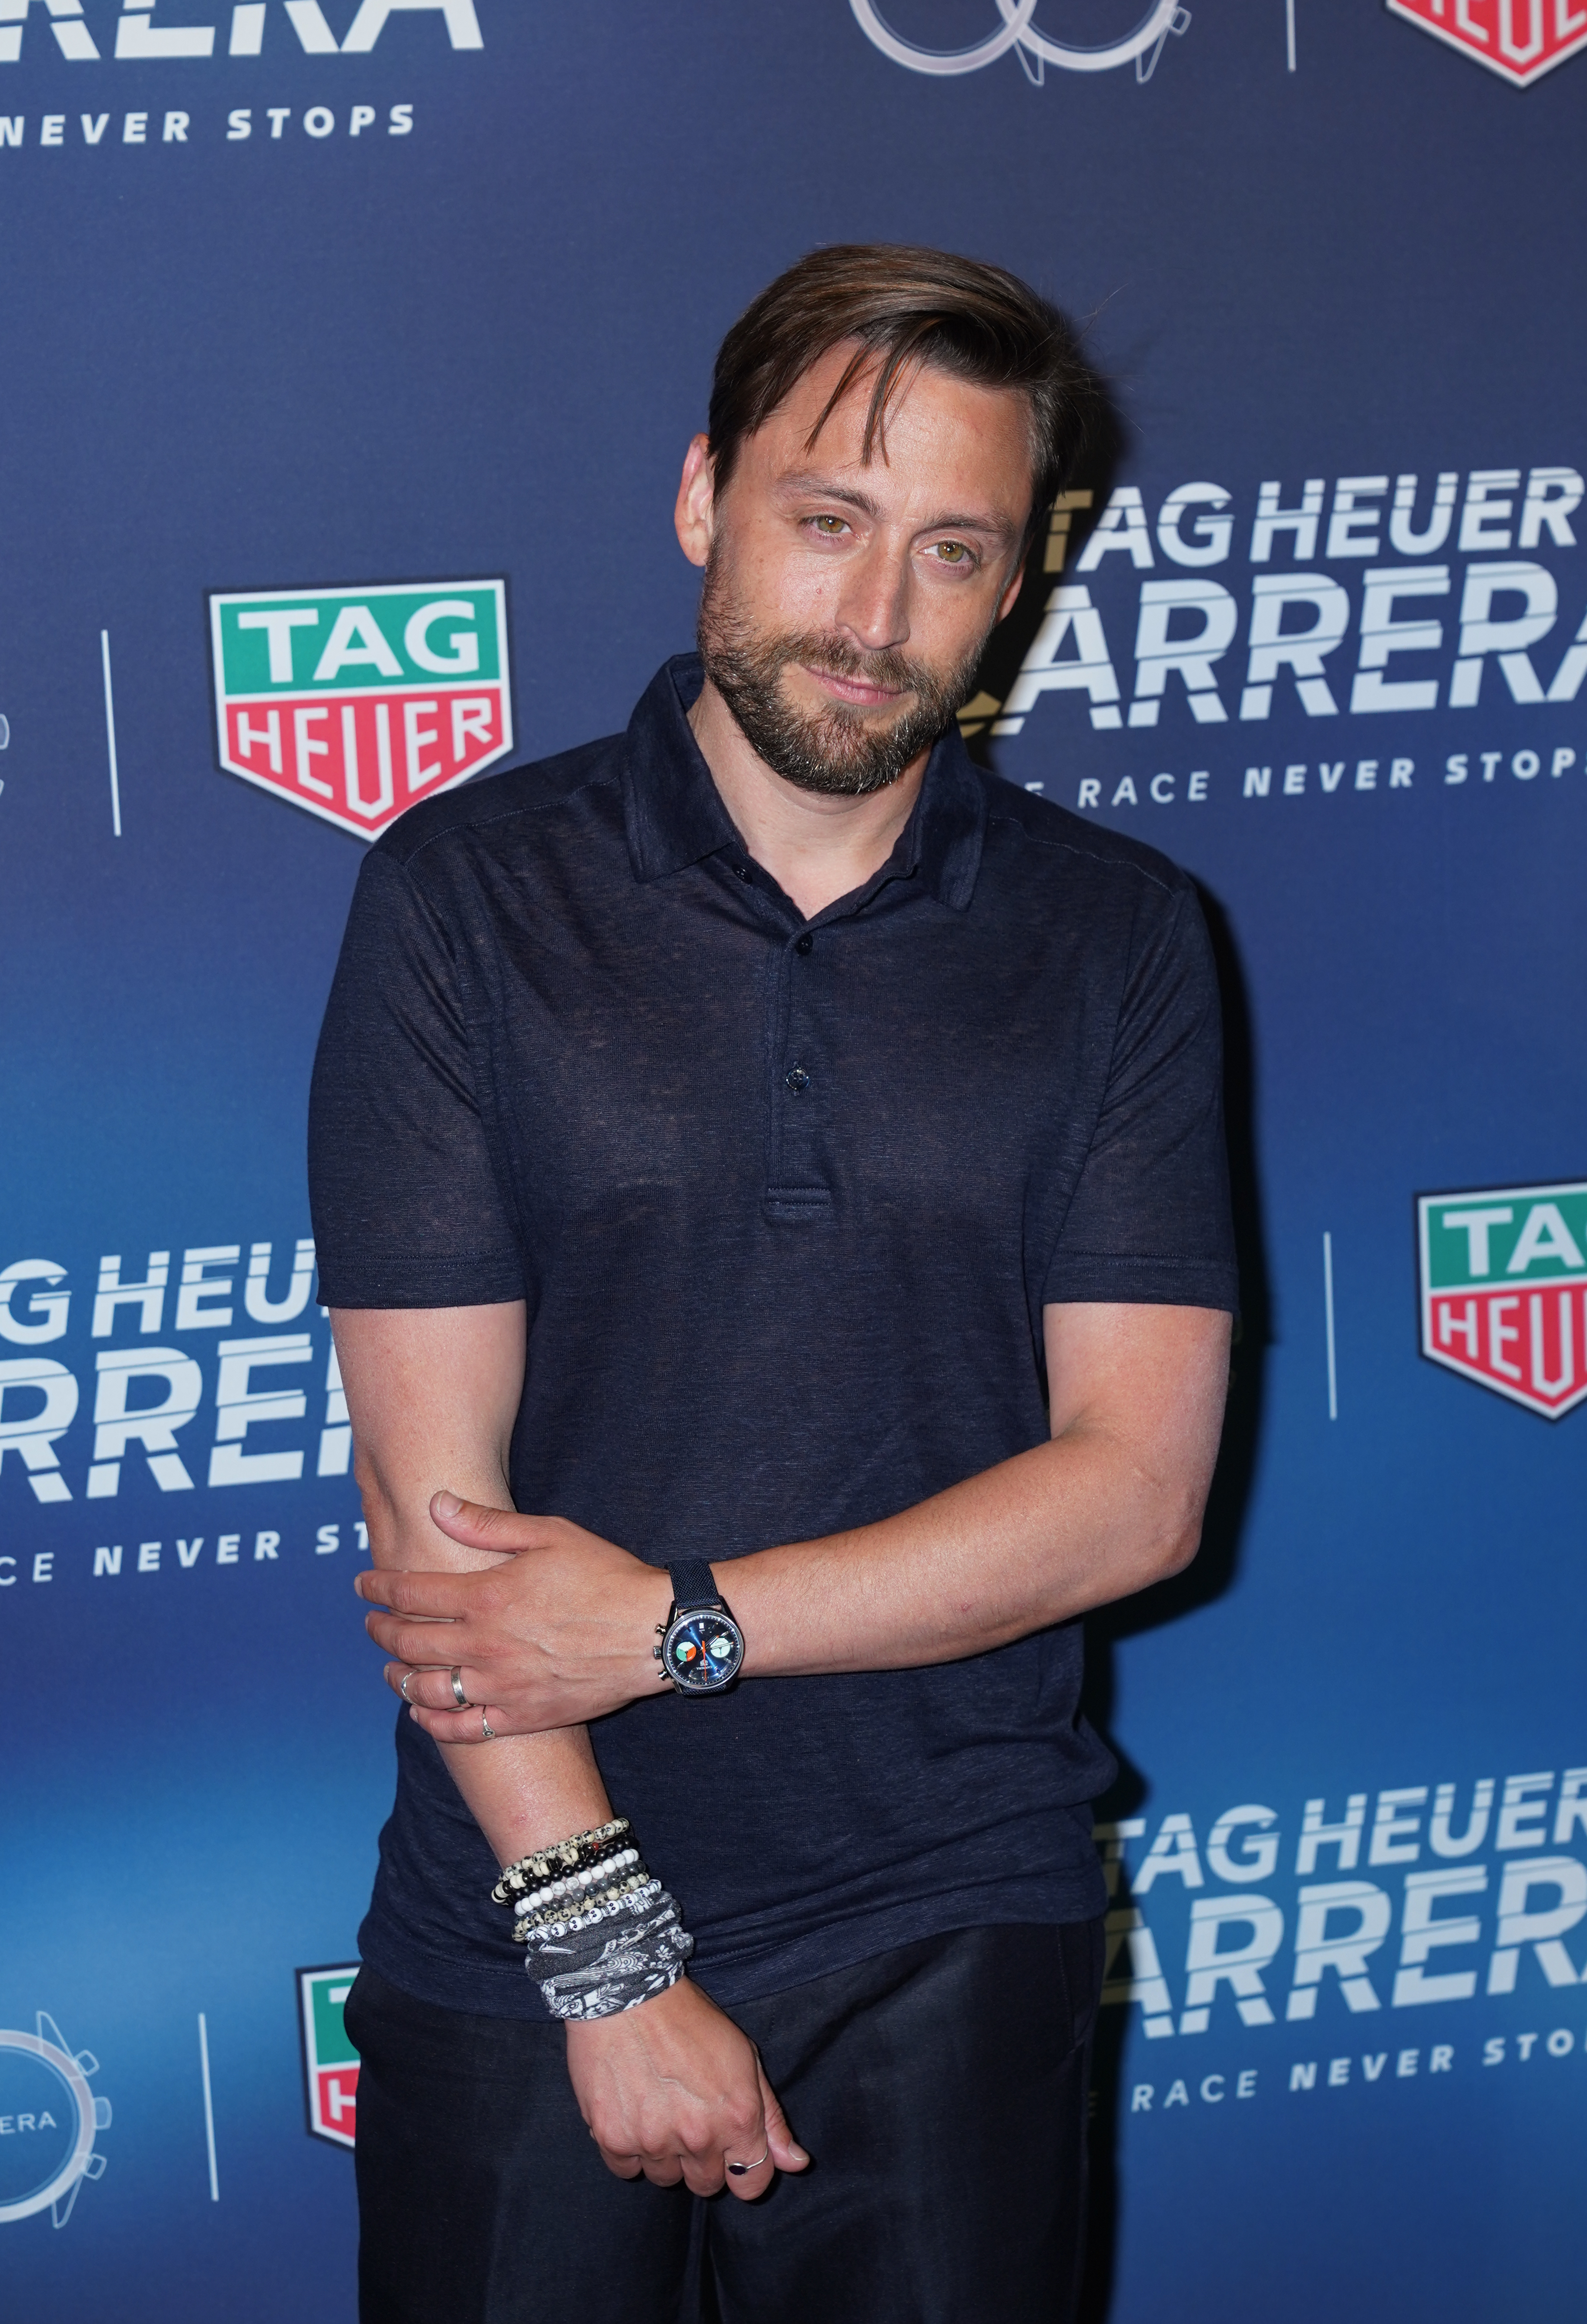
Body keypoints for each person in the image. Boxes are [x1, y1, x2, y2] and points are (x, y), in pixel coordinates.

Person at [309, 242, 1236, 2324]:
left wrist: (674, 1627)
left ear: (1013, 587)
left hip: (951, 1909)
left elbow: (1135, 1493)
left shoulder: (1119, 940)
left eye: (951, 551)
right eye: (828, 522)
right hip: (530, 1922)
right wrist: (616, 1964)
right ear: (703, 499)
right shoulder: (465, 898)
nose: (875, 613)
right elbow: (431, 1515)